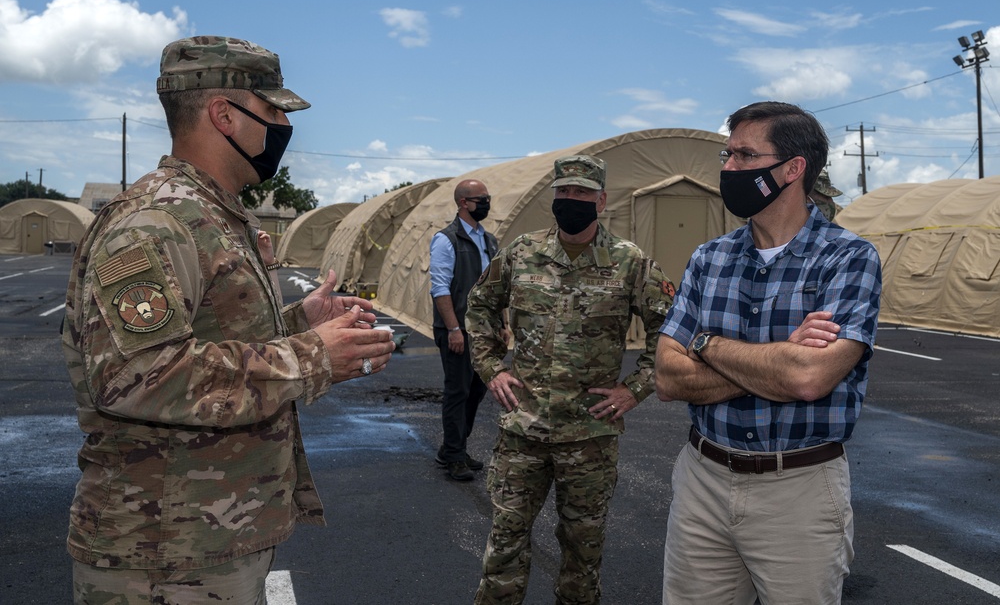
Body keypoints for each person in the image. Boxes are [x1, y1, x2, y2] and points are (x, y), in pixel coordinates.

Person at [61, 35, 396, 604]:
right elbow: (136, 376)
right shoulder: (155, 222)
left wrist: (298, 322)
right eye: (271, 113)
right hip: (163, 558)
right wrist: (313, 356)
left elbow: (207, 338)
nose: (279, 131)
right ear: (224, 115)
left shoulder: (212, 214)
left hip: (208, 540)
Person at [655, 101, 882, 604]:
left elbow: (807, 380)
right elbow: (668, 379)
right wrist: (777, 359)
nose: (727, 168)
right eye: (727, 154)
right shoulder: (708, 258)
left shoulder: (848, 258)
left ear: (792, 168)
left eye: (743, 155)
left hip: (798, 490)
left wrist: (705, 345)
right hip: (703, 482)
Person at [466, 154, 674, 604]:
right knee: (505, 546)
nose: (571, 200)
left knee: (583, 553)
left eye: (581, 193)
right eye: (564, 192)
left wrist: (634, 389)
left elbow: (670, 328)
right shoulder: (522, 253)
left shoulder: (629, 262)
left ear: (601, 200)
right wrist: (492, 368)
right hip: (524, 430)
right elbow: (480, 305)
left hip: (589, 436)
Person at [429, 179, 501, 481]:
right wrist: (454, 329)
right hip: (458, 329)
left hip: (485, 331)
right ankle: (455, 455)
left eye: (487, 197)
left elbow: (496, 288)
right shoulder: (447, 240)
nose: (485, 203)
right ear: (463, 203)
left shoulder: (489, 240)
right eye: (480, 198)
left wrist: (503, 325)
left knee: (477, 389)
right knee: (457, 391)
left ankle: (452, 446)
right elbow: (440, 288)